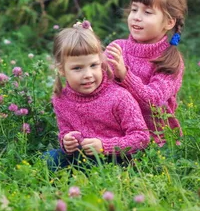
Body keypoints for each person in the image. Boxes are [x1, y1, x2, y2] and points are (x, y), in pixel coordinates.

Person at [46, 21, 150, 169]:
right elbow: (66, 131)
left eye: (93, 65)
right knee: (49, 158)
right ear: (62, 70)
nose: (87, 75)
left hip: (116, 159)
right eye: (77, 68)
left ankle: (88, 179)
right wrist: (66, 142)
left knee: (94, 162)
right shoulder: (61, 100)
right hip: (81, 156)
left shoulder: (119, 97)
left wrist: (105, 146)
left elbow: (141, 137)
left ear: (101, 62)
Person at [106, 0, 187, 145]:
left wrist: (124, 76)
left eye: (147, 12)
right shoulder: (117, 47)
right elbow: (96, 85)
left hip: (154, 141)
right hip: (114, 134)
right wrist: (90, 49)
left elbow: (154, 100)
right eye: (134, 9)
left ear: (169, 22)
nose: (136, 17)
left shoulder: (170, 60)